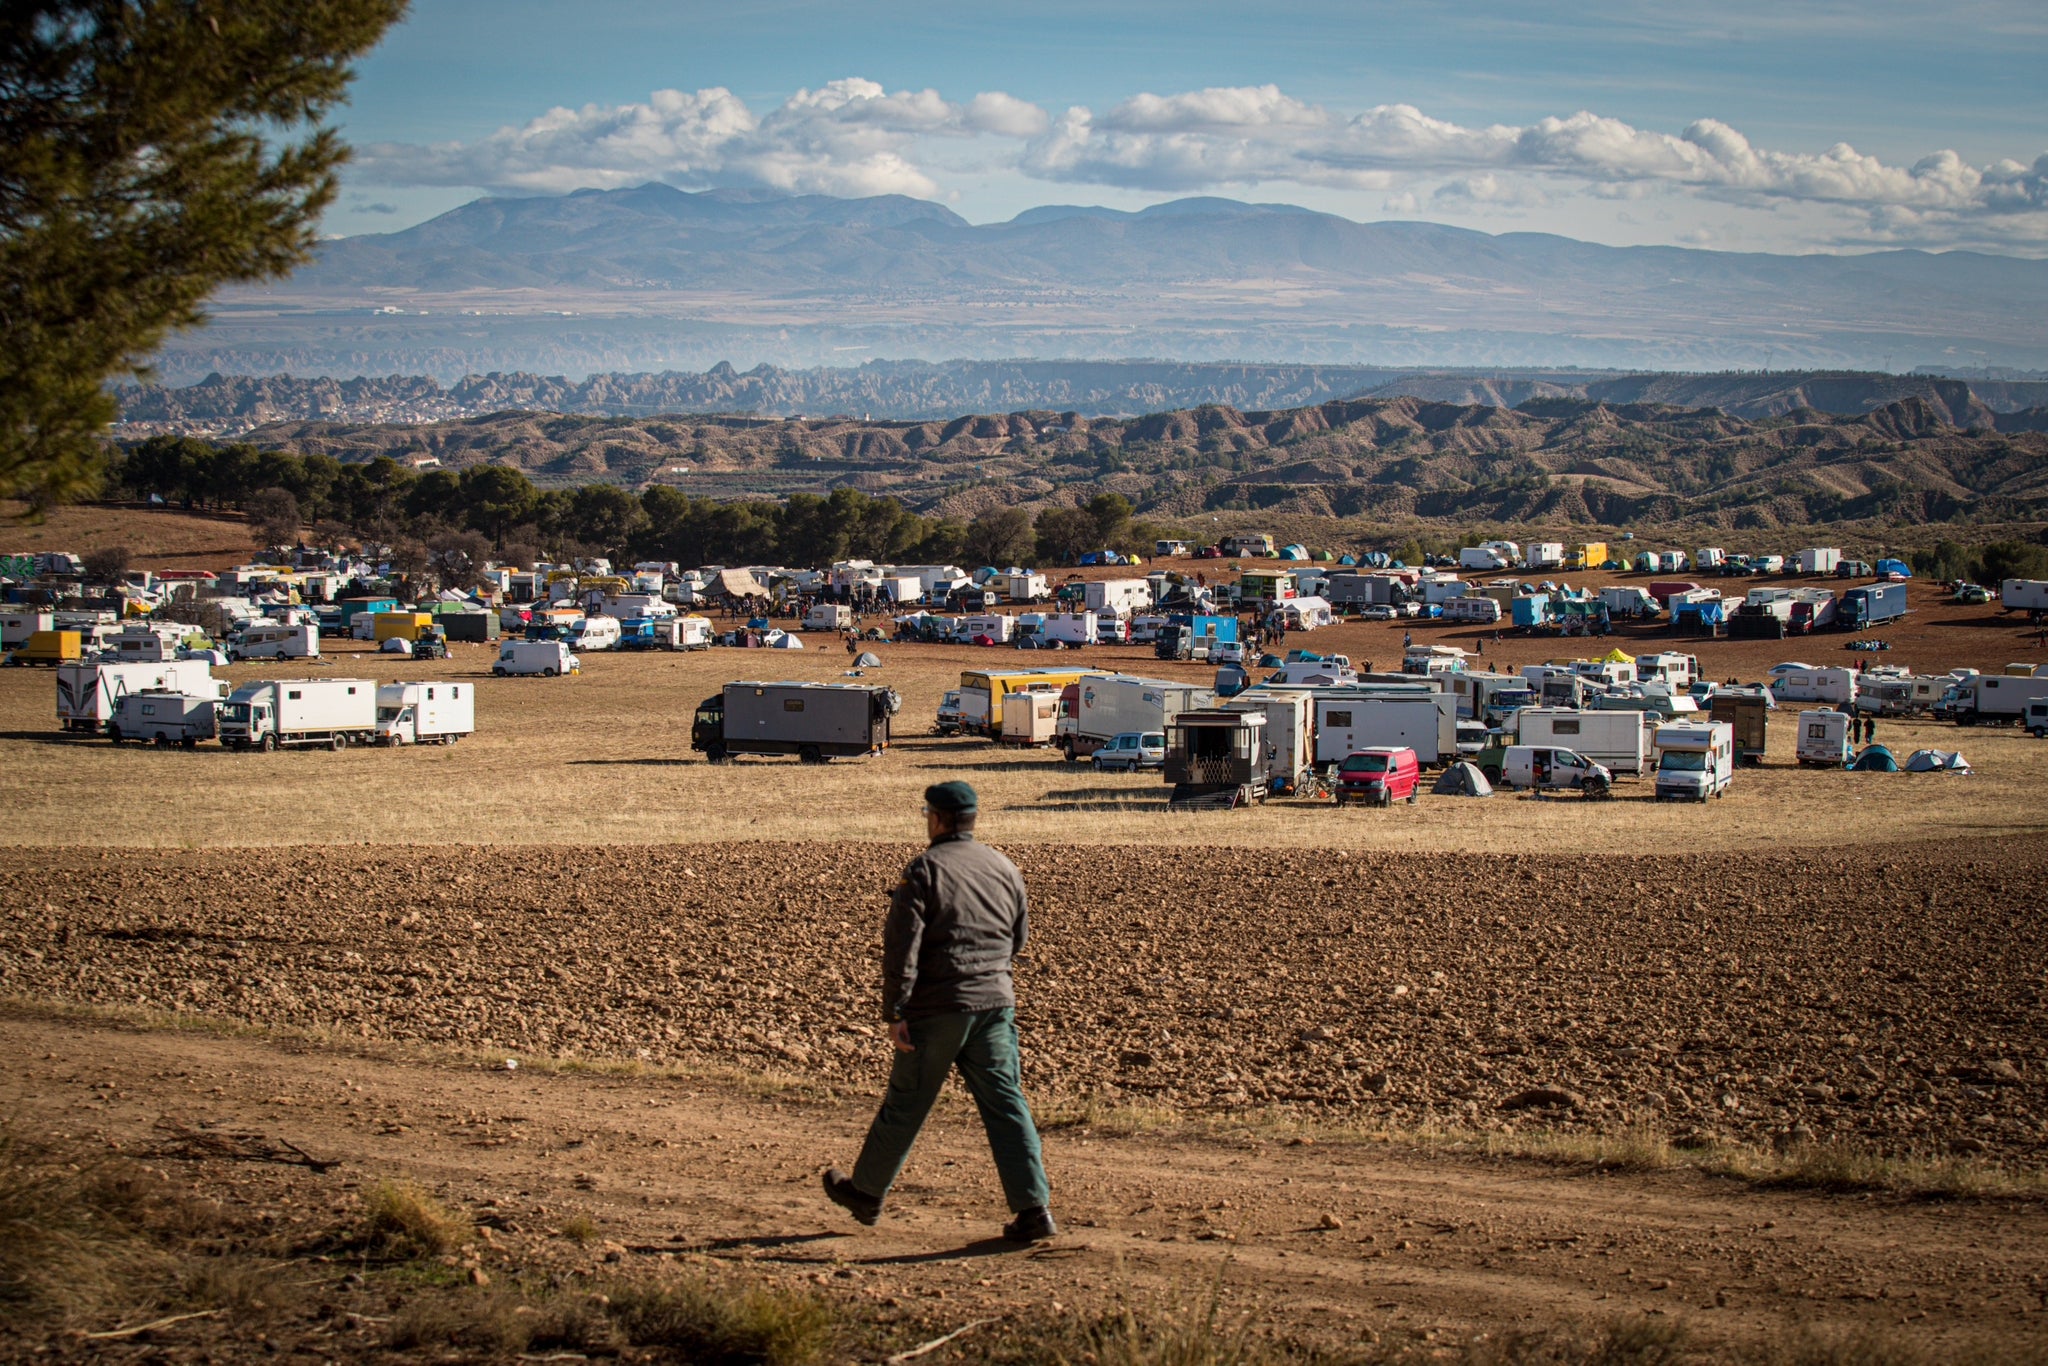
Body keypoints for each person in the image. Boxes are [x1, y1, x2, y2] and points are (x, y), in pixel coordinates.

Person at [823, 782, 1055, 1243]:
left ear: (938, 819)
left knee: (907, 1103)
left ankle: (867, 1193)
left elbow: (901, 949)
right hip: (994, 1004)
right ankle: (1034, 1210)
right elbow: (1018, 938)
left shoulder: (924, 871)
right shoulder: (1003, 867)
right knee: (1007, 1105)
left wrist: (895, 1010)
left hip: (937, 1009)